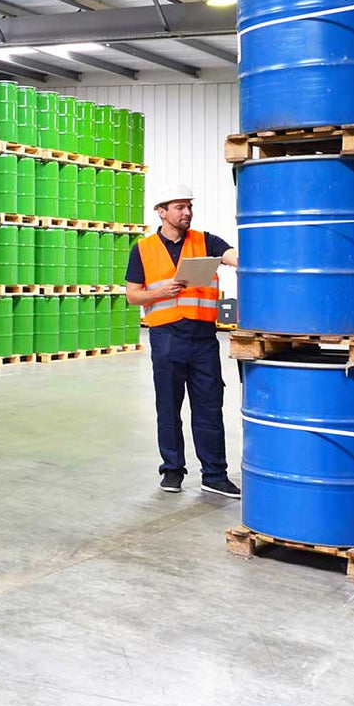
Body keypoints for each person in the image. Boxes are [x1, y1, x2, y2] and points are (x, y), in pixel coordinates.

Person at [124, 183, 241, 498]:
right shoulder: (143, 249)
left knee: (209, 408)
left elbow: (232, 256)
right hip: (166, 338)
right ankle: (172, 470)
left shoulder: (205, 241)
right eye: (179, 207)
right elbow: (132, 295)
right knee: (168, 408)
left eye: (189, 206)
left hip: (203, 339)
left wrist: (241, 258)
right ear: (161, 212)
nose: (187, 212)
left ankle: (214, 475)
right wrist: (160, 292)